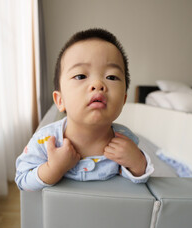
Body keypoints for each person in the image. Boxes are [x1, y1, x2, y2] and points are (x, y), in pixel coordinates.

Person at [15, 28, 154, 191]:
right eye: (80, 76)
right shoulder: (46, 141)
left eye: (111, 77)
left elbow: (139, 184)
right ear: (60, 100)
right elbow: (22, 180)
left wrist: (137, 163)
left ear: (123, 100)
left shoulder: (125, 140)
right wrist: (53, 168)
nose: (98, 84)